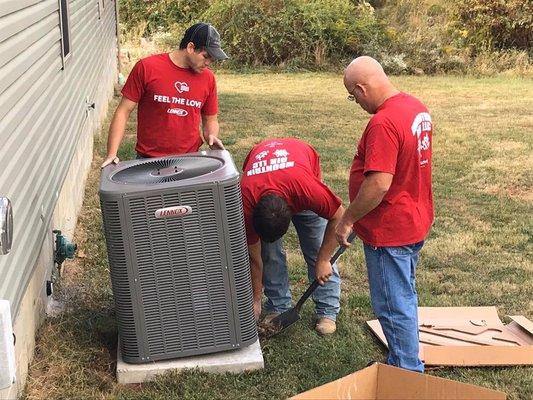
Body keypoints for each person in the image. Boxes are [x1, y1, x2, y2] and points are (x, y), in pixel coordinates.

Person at [335, 56, 433, 372]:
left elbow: (378, 184)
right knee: (404, 293)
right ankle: (401, 359)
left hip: (389, 229)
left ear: (362, 88)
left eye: (354, 96)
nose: (357, 102)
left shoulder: (383, 123)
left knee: (392, 304)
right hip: (414, 217)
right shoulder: (415, 106)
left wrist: (348, 218)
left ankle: (406, 372)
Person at [241, 138, 345, 335]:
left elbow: (338, 216)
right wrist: (255, 299)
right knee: (268, 254)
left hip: (300, 165)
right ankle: (278, 306)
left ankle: (327, 310)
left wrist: (323, 259)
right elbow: (255, 260)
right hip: (263, 167)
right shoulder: (245, 202)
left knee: (316, 244)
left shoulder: (307, 189)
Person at [101, 22, 227, 168]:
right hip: (148, 160)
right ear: (190, 47)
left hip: (189, 159)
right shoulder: (147, 67)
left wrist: (211, 135)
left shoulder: (208, 78)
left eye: (212, 59)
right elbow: (123, 111)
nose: (208, 63)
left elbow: (210, 119)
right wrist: (112, 153)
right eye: (206, 56)